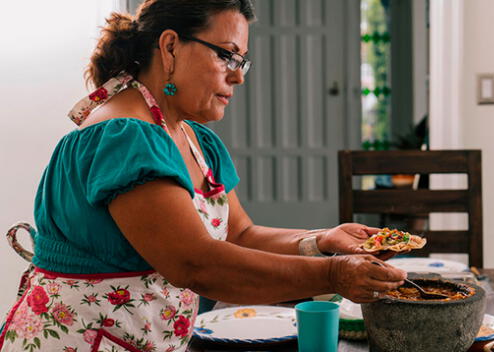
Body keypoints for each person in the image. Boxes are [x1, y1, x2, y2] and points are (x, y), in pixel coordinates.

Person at [0, 0, 406, 351]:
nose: (239, 75)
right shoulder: (125, 137)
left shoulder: (195, 140)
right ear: (171, 46)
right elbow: (196, 264)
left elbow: (239, 235)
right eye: (226, 55)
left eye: (241, 60)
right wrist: (334, 274)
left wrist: (321, 241)